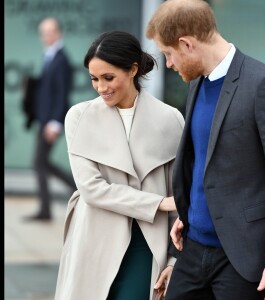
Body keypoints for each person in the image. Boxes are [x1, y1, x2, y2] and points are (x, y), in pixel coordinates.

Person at [146, 1, 265, 299]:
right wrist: (189, 216)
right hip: (192, 249)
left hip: (243, 259)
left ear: (186, 43)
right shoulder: (196, 84)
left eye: (168, 54)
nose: (170, 64)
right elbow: (204, 163)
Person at [54, 30, 184, 300]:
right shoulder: (79, 117)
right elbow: (92, 189)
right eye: (94, 79)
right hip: (93, 238)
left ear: (133, 70)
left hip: (146, 242)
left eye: (108, 77)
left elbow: (179, 201)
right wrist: (158, 203)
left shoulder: (170, 119)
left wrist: (174, 262)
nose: (101, 87)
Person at [23, 17, 76, 221]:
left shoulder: (61, 59)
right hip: (44, 119)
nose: (46, 36)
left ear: (58, 33)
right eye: (43, 32)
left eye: (49, 31)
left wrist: (55, 122)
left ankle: (70, 192)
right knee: (41, 162)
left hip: (51, 122)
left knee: (39, 162)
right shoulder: (50, 56)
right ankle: (75, 188)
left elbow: (61, 93)